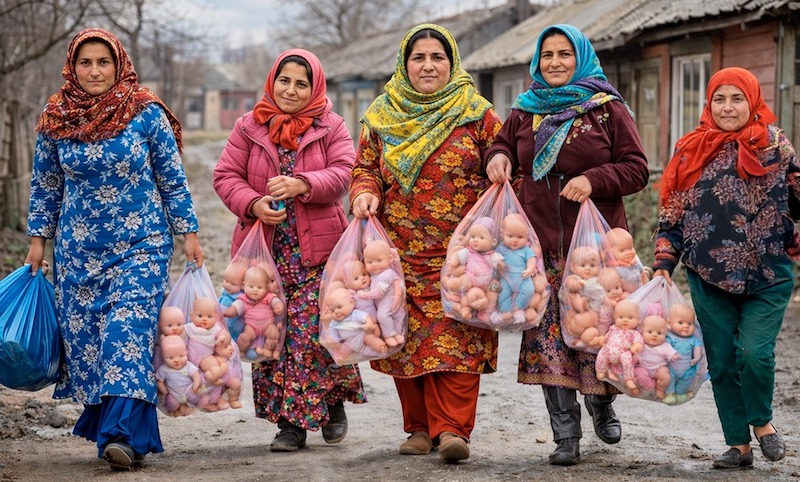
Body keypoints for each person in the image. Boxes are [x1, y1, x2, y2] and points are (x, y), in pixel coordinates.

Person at [24, 28, 205, 471]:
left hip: (142, 243)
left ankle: (122, 435)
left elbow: (171, 176)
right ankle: (122, 434)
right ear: (72, 66)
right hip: (78, 252)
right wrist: (36, 241)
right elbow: (46, 184)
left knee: (127, 333)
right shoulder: (57, 116)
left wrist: (189, 232)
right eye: (85, 62)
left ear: (118, 63)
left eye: (102, 61)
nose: (94, 71)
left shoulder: (144, 112)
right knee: (89, 341)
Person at [485, 24, 649, 465]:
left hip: (594, 250)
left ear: (581, 58)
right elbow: (501, 146)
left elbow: (636, 169)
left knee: (596, 332)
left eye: (564, 54)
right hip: (537, 246)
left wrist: (592, 179)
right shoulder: (525, 110)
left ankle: (601, 402)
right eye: (547, 55)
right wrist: (498, 158)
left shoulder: (606, 109)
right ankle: (565, 435)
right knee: (548, 340)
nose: (555, 62)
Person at [350, 23, 502, 462]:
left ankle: (453, 430)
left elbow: (501, 151)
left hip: (464, 252)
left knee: (456, 335)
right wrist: (364, 191)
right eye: (419, 57)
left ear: (451, 62)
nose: (429, 65)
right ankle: (418, 428)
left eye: (438, 57)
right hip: (398, 251)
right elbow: (365, 167)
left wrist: (498, 161)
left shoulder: (477, 112)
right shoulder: (382, 114)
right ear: (405, 63)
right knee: (405, 336)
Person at [213, 48, 364, 452]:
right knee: (270, 335)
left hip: (319, 254)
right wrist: (252, 203)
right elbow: (225, 175)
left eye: (302, 83)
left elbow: (346, 172)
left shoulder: (330, 126)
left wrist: (304, 184)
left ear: (314, 87)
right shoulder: (249, 127)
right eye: (284, 81)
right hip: (264, 256)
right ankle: (291, 421)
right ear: (271, 82)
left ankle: (316, 412)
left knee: (310, 335)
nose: (291, 90)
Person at [653, 66, 797, 469]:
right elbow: (672, 216)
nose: (728, 107)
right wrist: (664, 263)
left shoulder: (776, 146)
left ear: (752, 101)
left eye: (737, 98)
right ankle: (739, 445)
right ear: (709, 103)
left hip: (769, 272)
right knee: (720, 360)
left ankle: (763, 424)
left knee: (754, 352)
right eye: (720, 98)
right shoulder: (691, 150)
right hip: (709, 273)